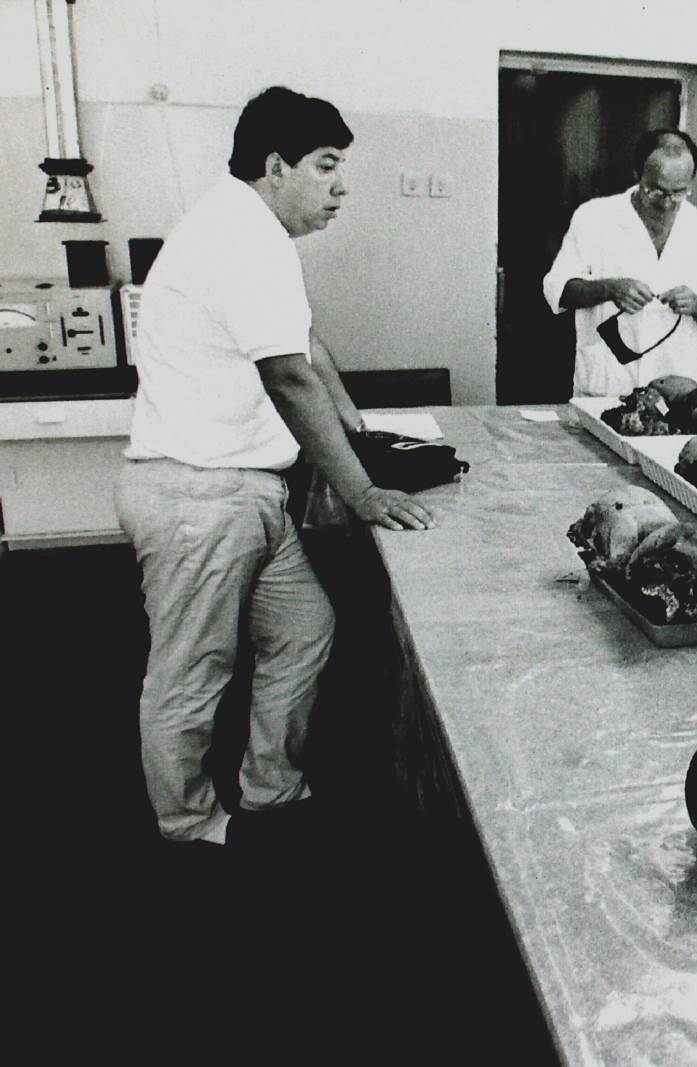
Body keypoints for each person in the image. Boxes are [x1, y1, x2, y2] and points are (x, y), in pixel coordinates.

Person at [115, 86, 434, 848]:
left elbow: (307, 345)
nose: (340, 186)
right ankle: (187, 822)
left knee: (304, 629)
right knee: (192, 672)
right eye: (326, 166)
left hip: (247, 493)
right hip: (199, 496)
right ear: (275, 165)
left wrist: (357, 432)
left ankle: (271, 786)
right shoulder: (240, 238)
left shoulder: (252, 232)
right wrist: (362, 490)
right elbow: (289, 377)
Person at [542, 129, 697, 397]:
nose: (668, 203)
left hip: (678, 391)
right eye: (657, 191)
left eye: (679, 192)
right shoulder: (594, 217)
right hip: (607, 385)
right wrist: (609, 289)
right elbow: (558, 290)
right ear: (638, 174)